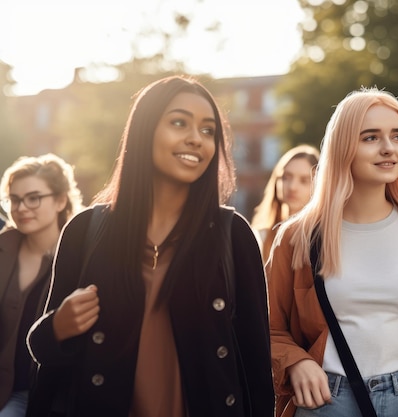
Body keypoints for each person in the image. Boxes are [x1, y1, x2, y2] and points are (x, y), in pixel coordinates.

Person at [25, 76, 274, 417]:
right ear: (145, 131)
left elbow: (257, 365)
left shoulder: (233, 236)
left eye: (208, 130)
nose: (195, 139)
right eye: (178, 122)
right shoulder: (84, 231)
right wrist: (58, 326)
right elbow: (41, 351)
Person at [267, 88, 398, 417]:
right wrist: (296, 362)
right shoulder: (298, 237)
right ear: (344, 146)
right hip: (324, 401)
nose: (389, 148)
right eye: (371, 137)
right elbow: (269, 329)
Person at [0, 153, 83, 417]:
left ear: (60, 200)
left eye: (33, 198)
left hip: (49, 396)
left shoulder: (83, 257)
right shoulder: (3, 248)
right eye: (14, 199)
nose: (21, 208)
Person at [251, 144, 319, 262]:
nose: (292, 187)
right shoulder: (260, 237)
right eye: (286, 177)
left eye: (304, 181)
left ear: (318, 185)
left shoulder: (324, 239)